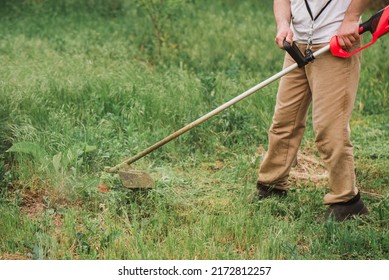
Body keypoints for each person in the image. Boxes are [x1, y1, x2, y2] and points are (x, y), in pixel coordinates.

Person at [256, 0, 371, 221]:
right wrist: (283, 24)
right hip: (297, 44)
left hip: (335, 42)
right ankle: (272, 184)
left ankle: (346, 201)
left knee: (330, 128)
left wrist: (350, 18)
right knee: (284, 120)